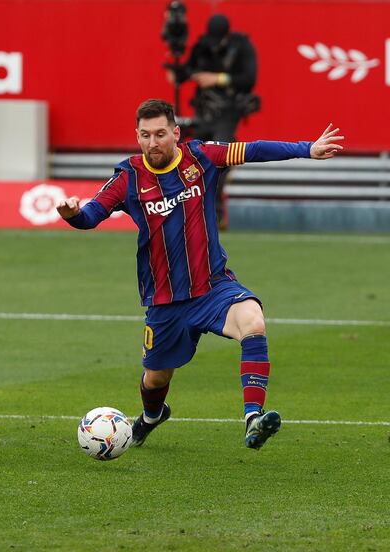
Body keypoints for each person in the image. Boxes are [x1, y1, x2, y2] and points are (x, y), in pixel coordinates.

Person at [56, 99, 343, 451]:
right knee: (156, 376)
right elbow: (91, 216)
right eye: (145, 135)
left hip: (213, 286)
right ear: (137, 136)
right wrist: (73, 214)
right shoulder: (128, 177)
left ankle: (254, 418)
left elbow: (253, 150)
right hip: (165, 301)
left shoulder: (201, 156)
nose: (153, 143)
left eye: (160, 134)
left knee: (253, 321)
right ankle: (151, 417)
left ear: (176, 133)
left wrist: (306, 149)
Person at [168, 14, 259, 226]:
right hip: (204, 112)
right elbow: (187, 72)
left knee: (220, 158)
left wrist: (217, 78)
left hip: (228, 112)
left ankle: (216, 213)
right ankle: (190, 210)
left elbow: (249, 79)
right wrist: (177, 70)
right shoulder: (202, 46)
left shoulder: (241, 46)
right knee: (192, 158)